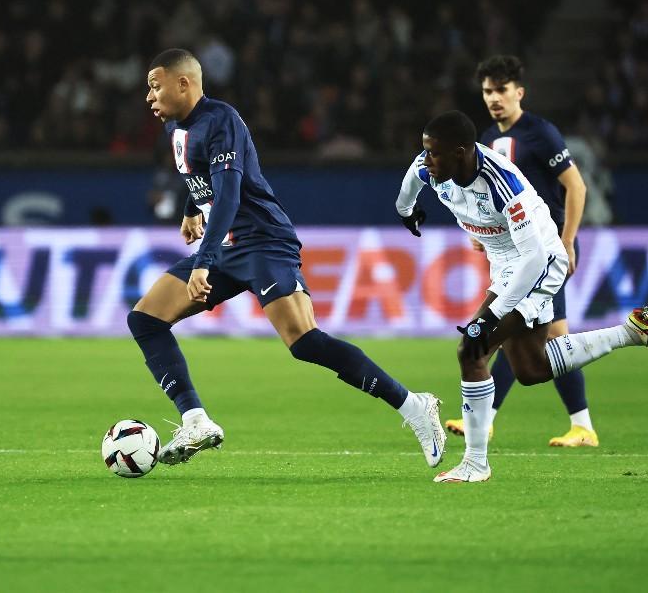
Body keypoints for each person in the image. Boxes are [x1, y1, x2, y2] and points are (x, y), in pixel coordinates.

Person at [131, 48, 446, 469]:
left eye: (155, 86)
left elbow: (229, 194)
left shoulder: (221, 120)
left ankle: (413, 405)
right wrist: (191, 209)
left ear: (183, 82)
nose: (149, 97)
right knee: (146, 319)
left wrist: (203, 259)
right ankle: (195, 419)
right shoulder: (176, 127)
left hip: (262, 240)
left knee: (304, 341)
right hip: (226, 245)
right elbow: (201, 177)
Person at [395, 110, 648, 483]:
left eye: (434, 153)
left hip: (538, 262)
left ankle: (475, 463)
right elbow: (411, 180)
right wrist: (406, 211)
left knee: (472, 349)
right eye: (424, 151)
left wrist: (489, 318)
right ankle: (631, 332)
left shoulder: (502, 184)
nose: (427, 160)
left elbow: (533, 258)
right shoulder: (433, 166)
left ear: (460, 152)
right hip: (504, 262)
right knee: (531, 369)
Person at [442, 55, 598, 448]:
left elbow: (576, 188)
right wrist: (482, 230)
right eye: (487, 91)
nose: (494, 98)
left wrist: (565, 243)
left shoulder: (540, 133)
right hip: (514, 249)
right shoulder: (485, 140)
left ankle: (498, 418)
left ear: (519, 92)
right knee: (533, 334)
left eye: (501, 90)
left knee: (522, 329)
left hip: (546, 248)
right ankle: (581, 426)